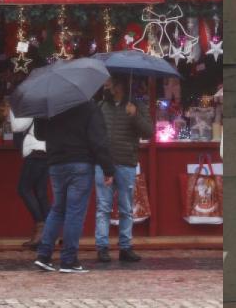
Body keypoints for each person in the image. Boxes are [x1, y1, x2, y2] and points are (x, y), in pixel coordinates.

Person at [33, 99, 115, 274]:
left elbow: (40, 134)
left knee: (57, 209)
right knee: (74, 212)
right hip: (80, 162)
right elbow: (98, 139)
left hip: (56, 162)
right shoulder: (88, 106)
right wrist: (108, 168)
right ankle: (68, 260)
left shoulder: (50, 104)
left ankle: (44, 255)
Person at [95, 75, 152, 263]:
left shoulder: (137, 105)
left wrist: (134, 115)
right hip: (104, 164)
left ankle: (125, 247)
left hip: (126, 162)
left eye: (111, 81)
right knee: (103, 207)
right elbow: (94, 132)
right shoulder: (102, 106)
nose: (108, 85)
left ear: (120, 84)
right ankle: (102, 247)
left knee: (126, 208)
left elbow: (149, 132)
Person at [11, 108, 49, 250]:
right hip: (46, 150)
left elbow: (17, 126)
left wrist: (13, 110)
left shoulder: (32, 105)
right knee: (41, 192)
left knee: (23, 189)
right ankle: (49, 233)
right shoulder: (48, 105)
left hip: (35, 152)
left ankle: (40, 226)